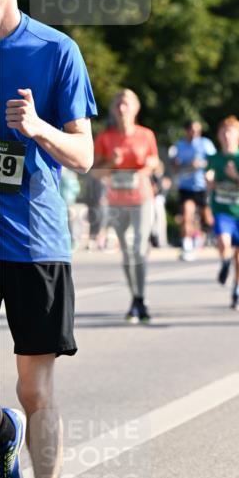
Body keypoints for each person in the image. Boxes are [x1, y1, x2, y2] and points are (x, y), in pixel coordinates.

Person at [0, 0, 96, 478]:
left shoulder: (54, 50)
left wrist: (37, 129)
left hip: (34, 243)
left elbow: (85, 154)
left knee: (36, 392)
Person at [93, 90, 159, 322]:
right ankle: (135, 297)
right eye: (119, 104)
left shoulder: (146, 135)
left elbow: (155, 163)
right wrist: (112, 162)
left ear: (135, 108)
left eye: (127, 104)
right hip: (116, 201)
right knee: (127, 252)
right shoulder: (105, 138)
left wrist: (150, 164)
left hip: (142, 198)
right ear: (113, 109)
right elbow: (94, 172)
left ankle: (140, 298)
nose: (122, 109)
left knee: (140, 249)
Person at [206, 116, 239, 311]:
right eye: (224, 132)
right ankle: (224, 262)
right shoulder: (215, 158)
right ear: (219, 136)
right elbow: (209, 175)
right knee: (223, 241)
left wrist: (235, 176)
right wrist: (209, 180)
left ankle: (238, 288)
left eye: (231, 132)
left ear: (238, 136)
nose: (227, 136)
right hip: (221, 209)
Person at [170, 120, 215, 261]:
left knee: (208, 218)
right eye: (192, 130)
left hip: (202, 186)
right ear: (187, 131)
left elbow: (215, 161)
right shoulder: (180, 145)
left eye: (198, 130)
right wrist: (179, 164)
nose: (195, 133)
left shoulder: (205, 144)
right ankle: (187, 245)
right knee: (186, 213)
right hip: (186, 186)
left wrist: (200, 164)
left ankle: (208, 235)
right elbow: (174, 166)